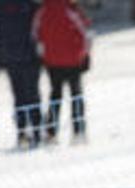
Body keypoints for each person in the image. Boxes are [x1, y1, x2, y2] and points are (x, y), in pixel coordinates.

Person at [33, 0, 92, 144]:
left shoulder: (43, 10)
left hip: (53, 62)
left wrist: (43, 56)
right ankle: (78, 132)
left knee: (55, 96)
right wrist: (85, 55)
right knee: (76, 95)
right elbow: (85, 34)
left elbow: (36, 35)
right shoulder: (71, 10)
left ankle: (51, 132)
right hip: (73, 61)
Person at [0, 0, 42, 149]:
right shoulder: (31, 6)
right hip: (28, 58)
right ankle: (35, 132)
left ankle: (23, 132)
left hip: (13, 58)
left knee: (20, 97)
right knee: (32, 95)